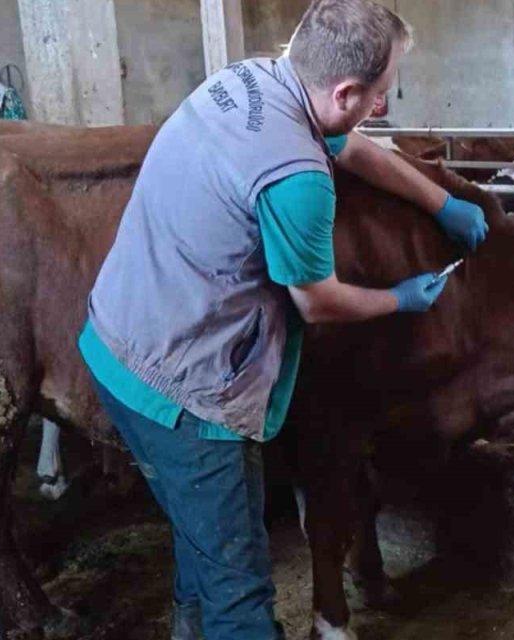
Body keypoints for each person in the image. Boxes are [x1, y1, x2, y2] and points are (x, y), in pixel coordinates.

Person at [79, 1, 487, 637]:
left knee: (207, 537)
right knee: (241, 591)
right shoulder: (299, 176)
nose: (382, 105)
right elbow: (317, 301)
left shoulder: (251, 81)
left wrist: (441, 202)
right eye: (381, 94)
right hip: (181, 388)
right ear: (347, 90)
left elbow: (347, 144)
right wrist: (400, 299)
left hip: (117, 332)